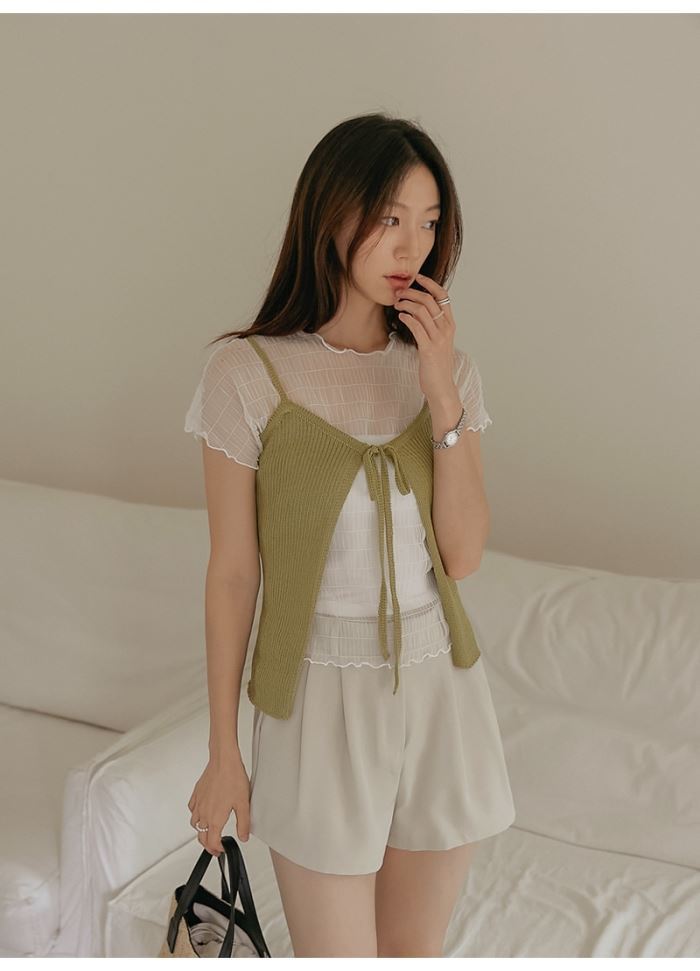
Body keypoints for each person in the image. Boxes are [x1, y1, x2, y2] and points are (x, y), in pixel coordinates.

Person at [183, 112, 516, 958]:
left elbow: (463, 555)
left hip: (440, 697)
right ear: (331, 212)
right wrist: (224, 750)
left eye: (429, 222)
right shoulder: (248, 373)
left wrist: (440, 392)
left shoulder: (449, 372)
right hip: (317, 703)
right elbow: (233, 574)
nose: (413, 245)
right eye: (389, 217)